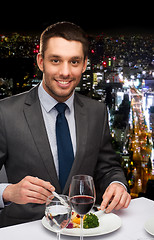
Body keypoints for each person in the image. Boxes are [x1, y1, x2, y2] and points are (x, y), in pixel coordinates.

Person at [0, 22, 131, 227]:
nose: (65, 72)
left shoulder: (97, 112)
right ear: (41, 62)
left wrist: (117, 184)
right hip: (23, 231)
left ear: (85, 64)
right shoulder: (5, 113)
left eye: (74, 62)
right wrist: (8, 192)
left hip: (83, 228)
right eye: (55, 60)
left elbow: (108, 167)